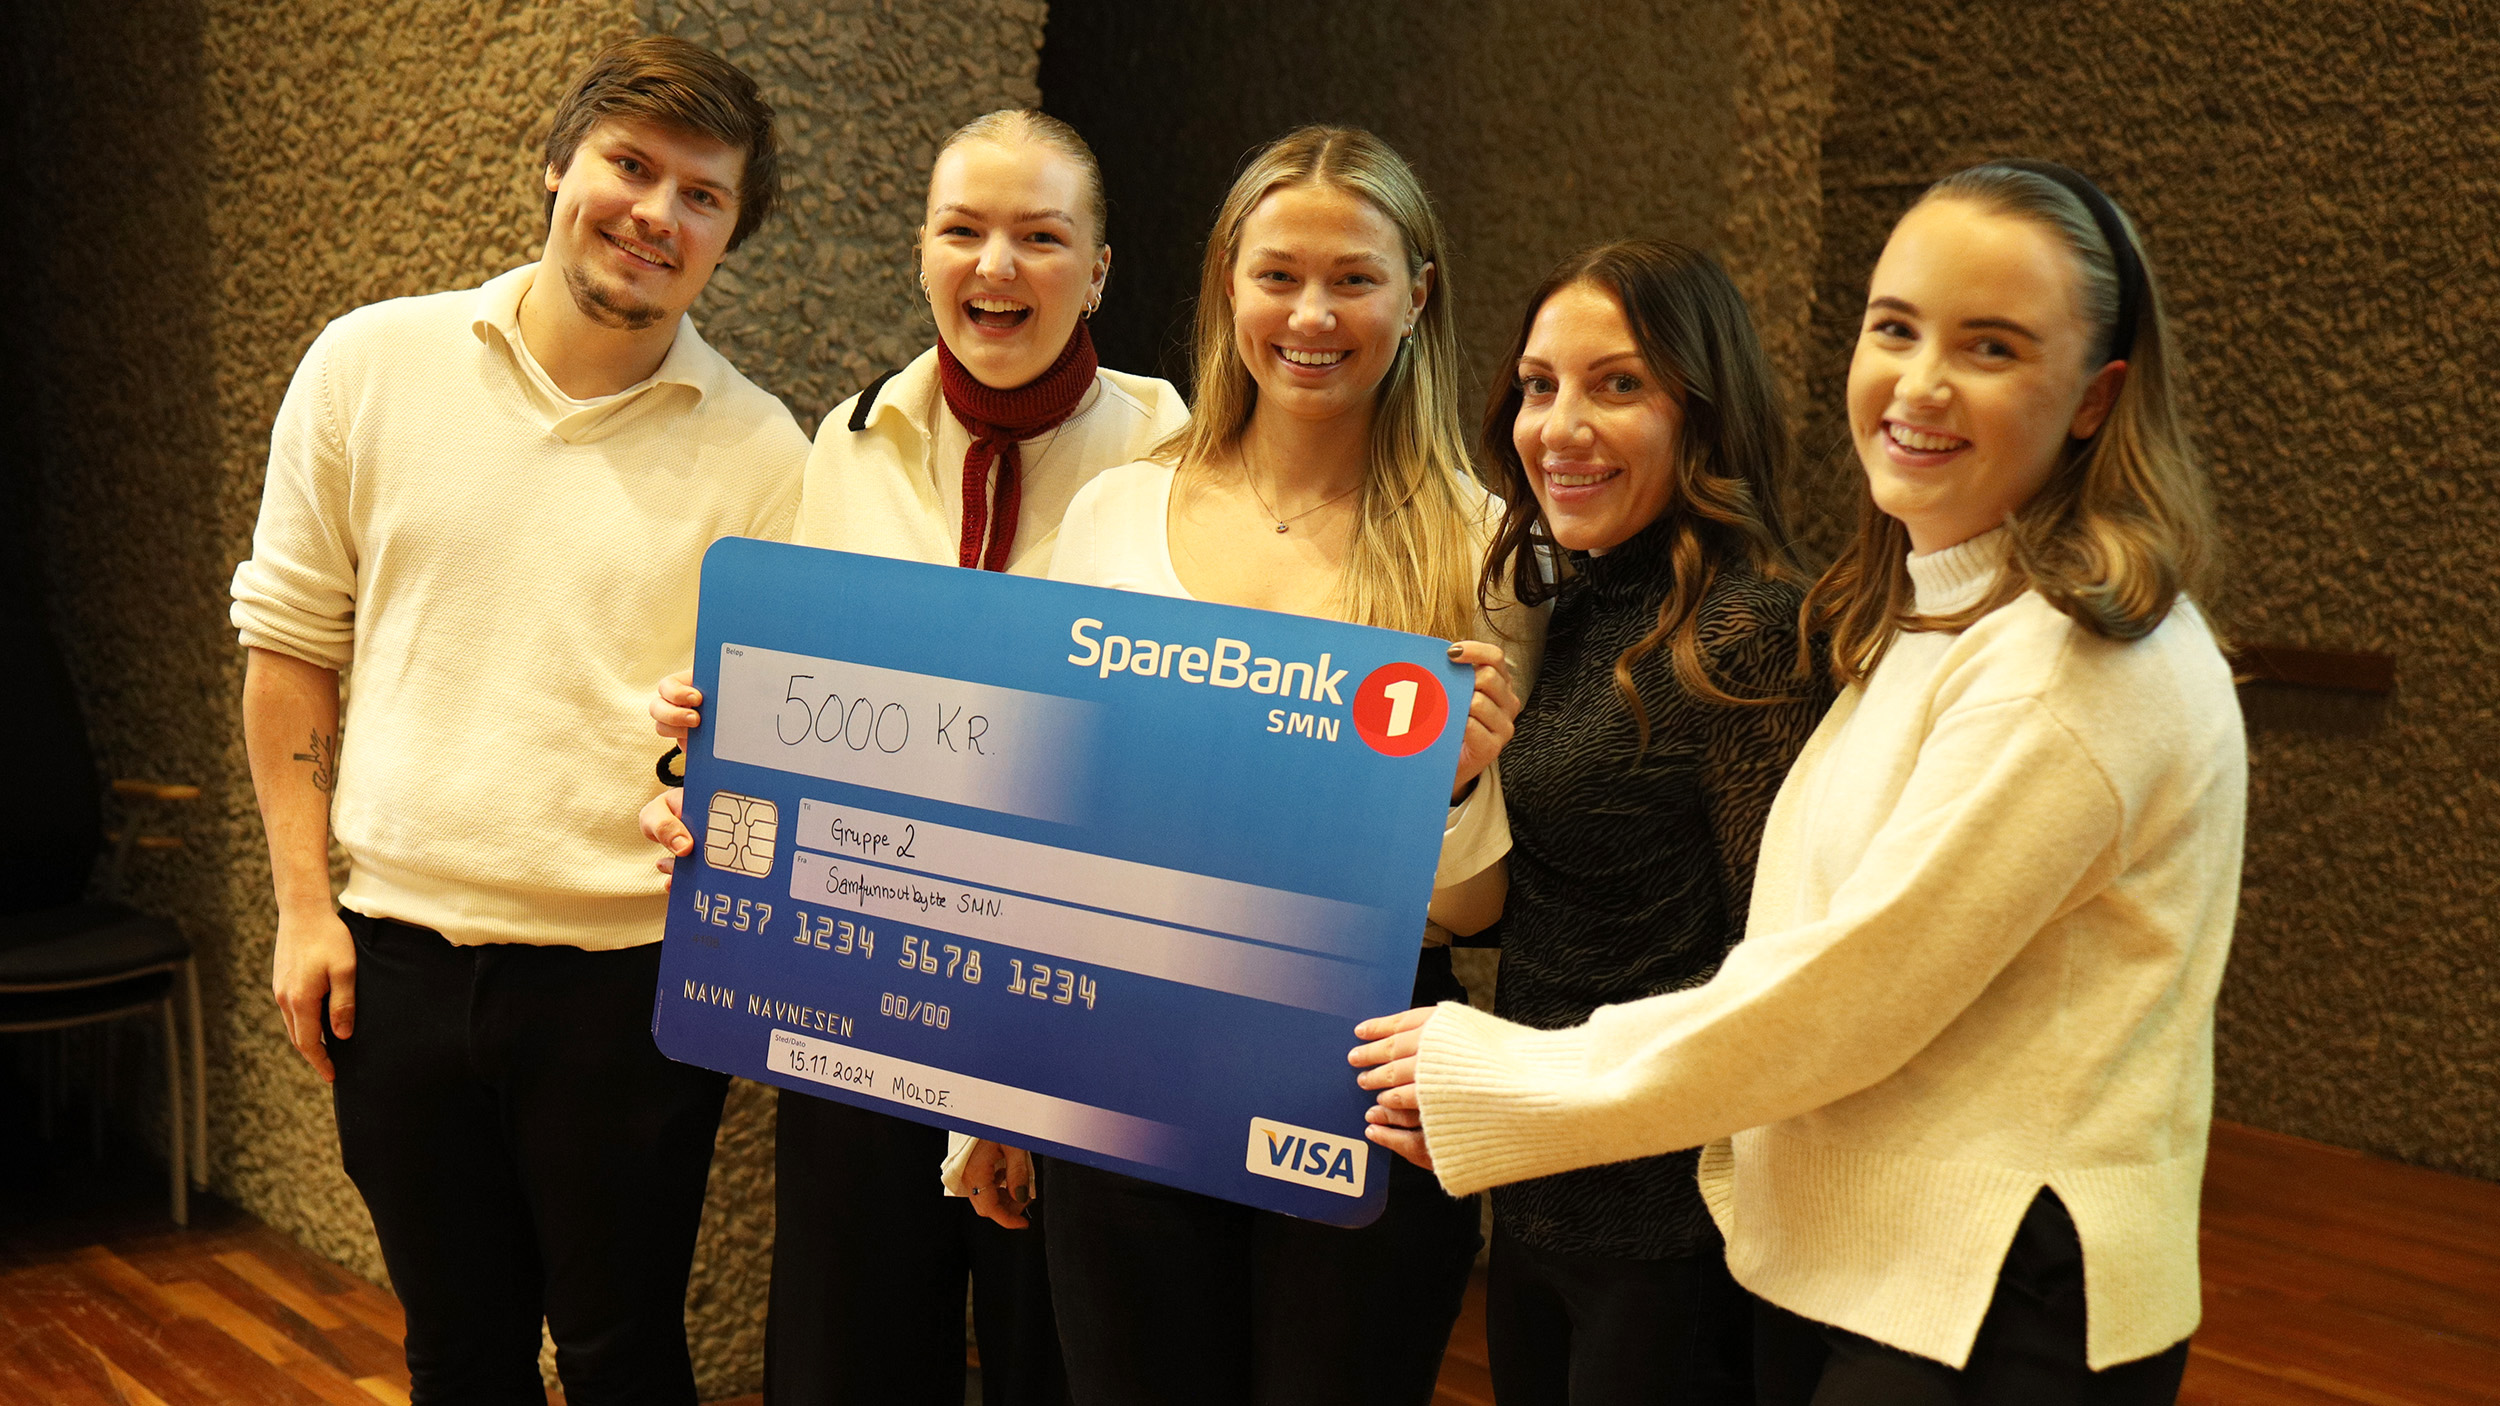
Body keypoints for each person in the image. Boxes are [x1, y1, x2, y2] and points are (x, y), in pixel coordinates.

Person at [1354, 159, 2242, 1405]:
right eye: (1896, 328)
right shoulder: (1924, 615)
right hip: (1831, 1255)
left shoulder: (2069, 664)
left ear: (2096, 396)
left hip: (1979, 1287)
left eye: (1989, 346)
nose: (1920, 384)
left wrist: (1501, 1076)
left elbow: (1838, 994)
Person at [234, 37, 807, 1406]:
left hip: (631, 982)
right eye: (630, 165)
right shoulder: (368, 365)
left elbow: (768, 743)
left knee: (623, 1353)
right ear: (558, 166)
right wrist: (303, 906)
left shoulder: (767, 455)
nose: (656, 213)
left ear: (730, 235)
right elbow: (291, 647)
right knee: (457, 1351)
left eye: (703, 195)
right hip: (395, 963)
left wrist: (721, 770)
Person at [639, 110, 1187, 1406]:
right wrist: (707, 765)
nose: (996, 264)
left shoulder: (1180, 459)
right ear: (922, 252)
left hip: (1075, 1017)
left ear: (1098, 271)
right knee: (849, 1353)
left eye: (1040, 236)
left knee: (1063, 1362)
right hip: (863, 994)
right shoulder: (848, 443)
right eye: (963, 230)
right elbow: (799, 700)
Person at [1009, 124, 1530, 1406]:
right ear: (1225, 286)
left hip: (1359, 1076)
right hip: (1119, 1055)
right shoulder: (1114, 514)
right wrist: (997, 1093)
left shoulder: (1481, 545)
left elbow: (1475, 912)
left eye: (1353, 278)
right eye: (1277, 274)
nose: (1311, 315)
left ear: (1417, 295)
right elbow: (1043, 821)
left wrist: (1458, 790)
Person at [1467, 240, 1831, 1405]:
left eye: (1616, 384)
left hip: (1671, 1233)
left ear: (1702, 414)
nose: (1559, 426)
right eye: (1538, 385)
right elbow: (1560, 902)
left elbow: (1771, 972)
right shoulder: (1573, 604)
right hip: (1539, 1189)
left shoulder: (1749, 635)